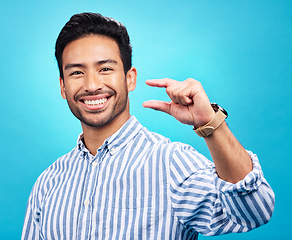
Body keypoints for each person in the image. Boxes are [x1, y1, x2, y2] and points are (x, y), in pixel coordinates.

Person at [22, 12, 274, 240]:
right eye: (77, 72)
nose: (91, 84)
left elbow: (255, 210)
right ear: (63, 87)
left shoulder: (171, 163)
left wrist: (211, 124)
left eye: (105, 68)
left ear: (130, 78)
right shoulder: (48, 183)